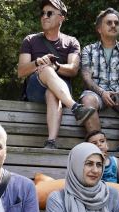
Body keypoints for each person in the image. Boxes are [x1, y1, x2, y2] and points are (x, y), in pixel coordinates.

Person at [17, 0, 95, 150]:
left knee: (52, 91)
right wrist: (38, 63)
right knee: (45, 69)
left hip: (61, 92)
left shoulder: (72, 42)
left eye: (49, 13)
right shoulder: (30, 40)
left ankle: (51, 141)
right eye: (42, 13)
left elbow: (73, 69)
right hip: (35, 90)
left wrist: (56, 66)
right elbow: (21, 71)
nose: (44, 16)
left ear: (61, 18)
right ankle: (75, 108)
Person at [79, 8, 119, 153]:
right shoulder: (88, 50)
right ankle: (98, 148)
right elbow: (86, 77)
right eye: (109, 22)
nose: (113, 25)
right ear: (99, 28)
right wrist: (102, 93)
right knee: (87, 101)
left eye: (116, 23)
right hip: (97, 93)